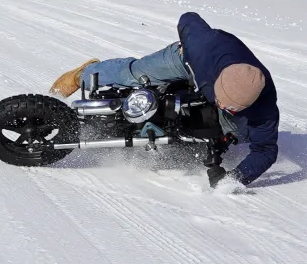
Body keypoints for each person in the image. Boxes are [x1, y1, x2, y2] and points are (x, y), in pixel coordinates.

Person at [49, 12, 279, 188]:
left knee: (243, 134)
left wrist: (233, 179)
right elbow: (188, 19)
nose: (222, 106)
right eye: (221, 100)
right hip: (185, 60)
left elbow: (266, 150)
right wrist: (185, 54)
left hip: (218, 85)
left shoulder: (264, 108)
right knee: (136, 74)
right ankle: (85, 74)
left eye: (231, 108)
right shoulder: (206, 46)